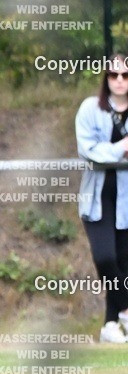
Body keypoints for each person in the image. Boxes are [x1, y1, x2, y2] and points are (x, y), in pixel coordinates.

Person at [75, 54, 128, 342]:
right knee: (105, 257)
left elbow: (99, 149)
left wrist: (108, 150)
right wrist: (121, 148)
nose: (119, 80)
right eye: (113, 75)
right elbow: (88, 151)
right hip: (97, 196)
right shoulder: (90, 109)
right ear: (105, 78)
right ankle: (126, 311)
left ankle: (110, 325)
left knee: (122, 261)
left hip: (127, 197)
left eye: (125, 75)